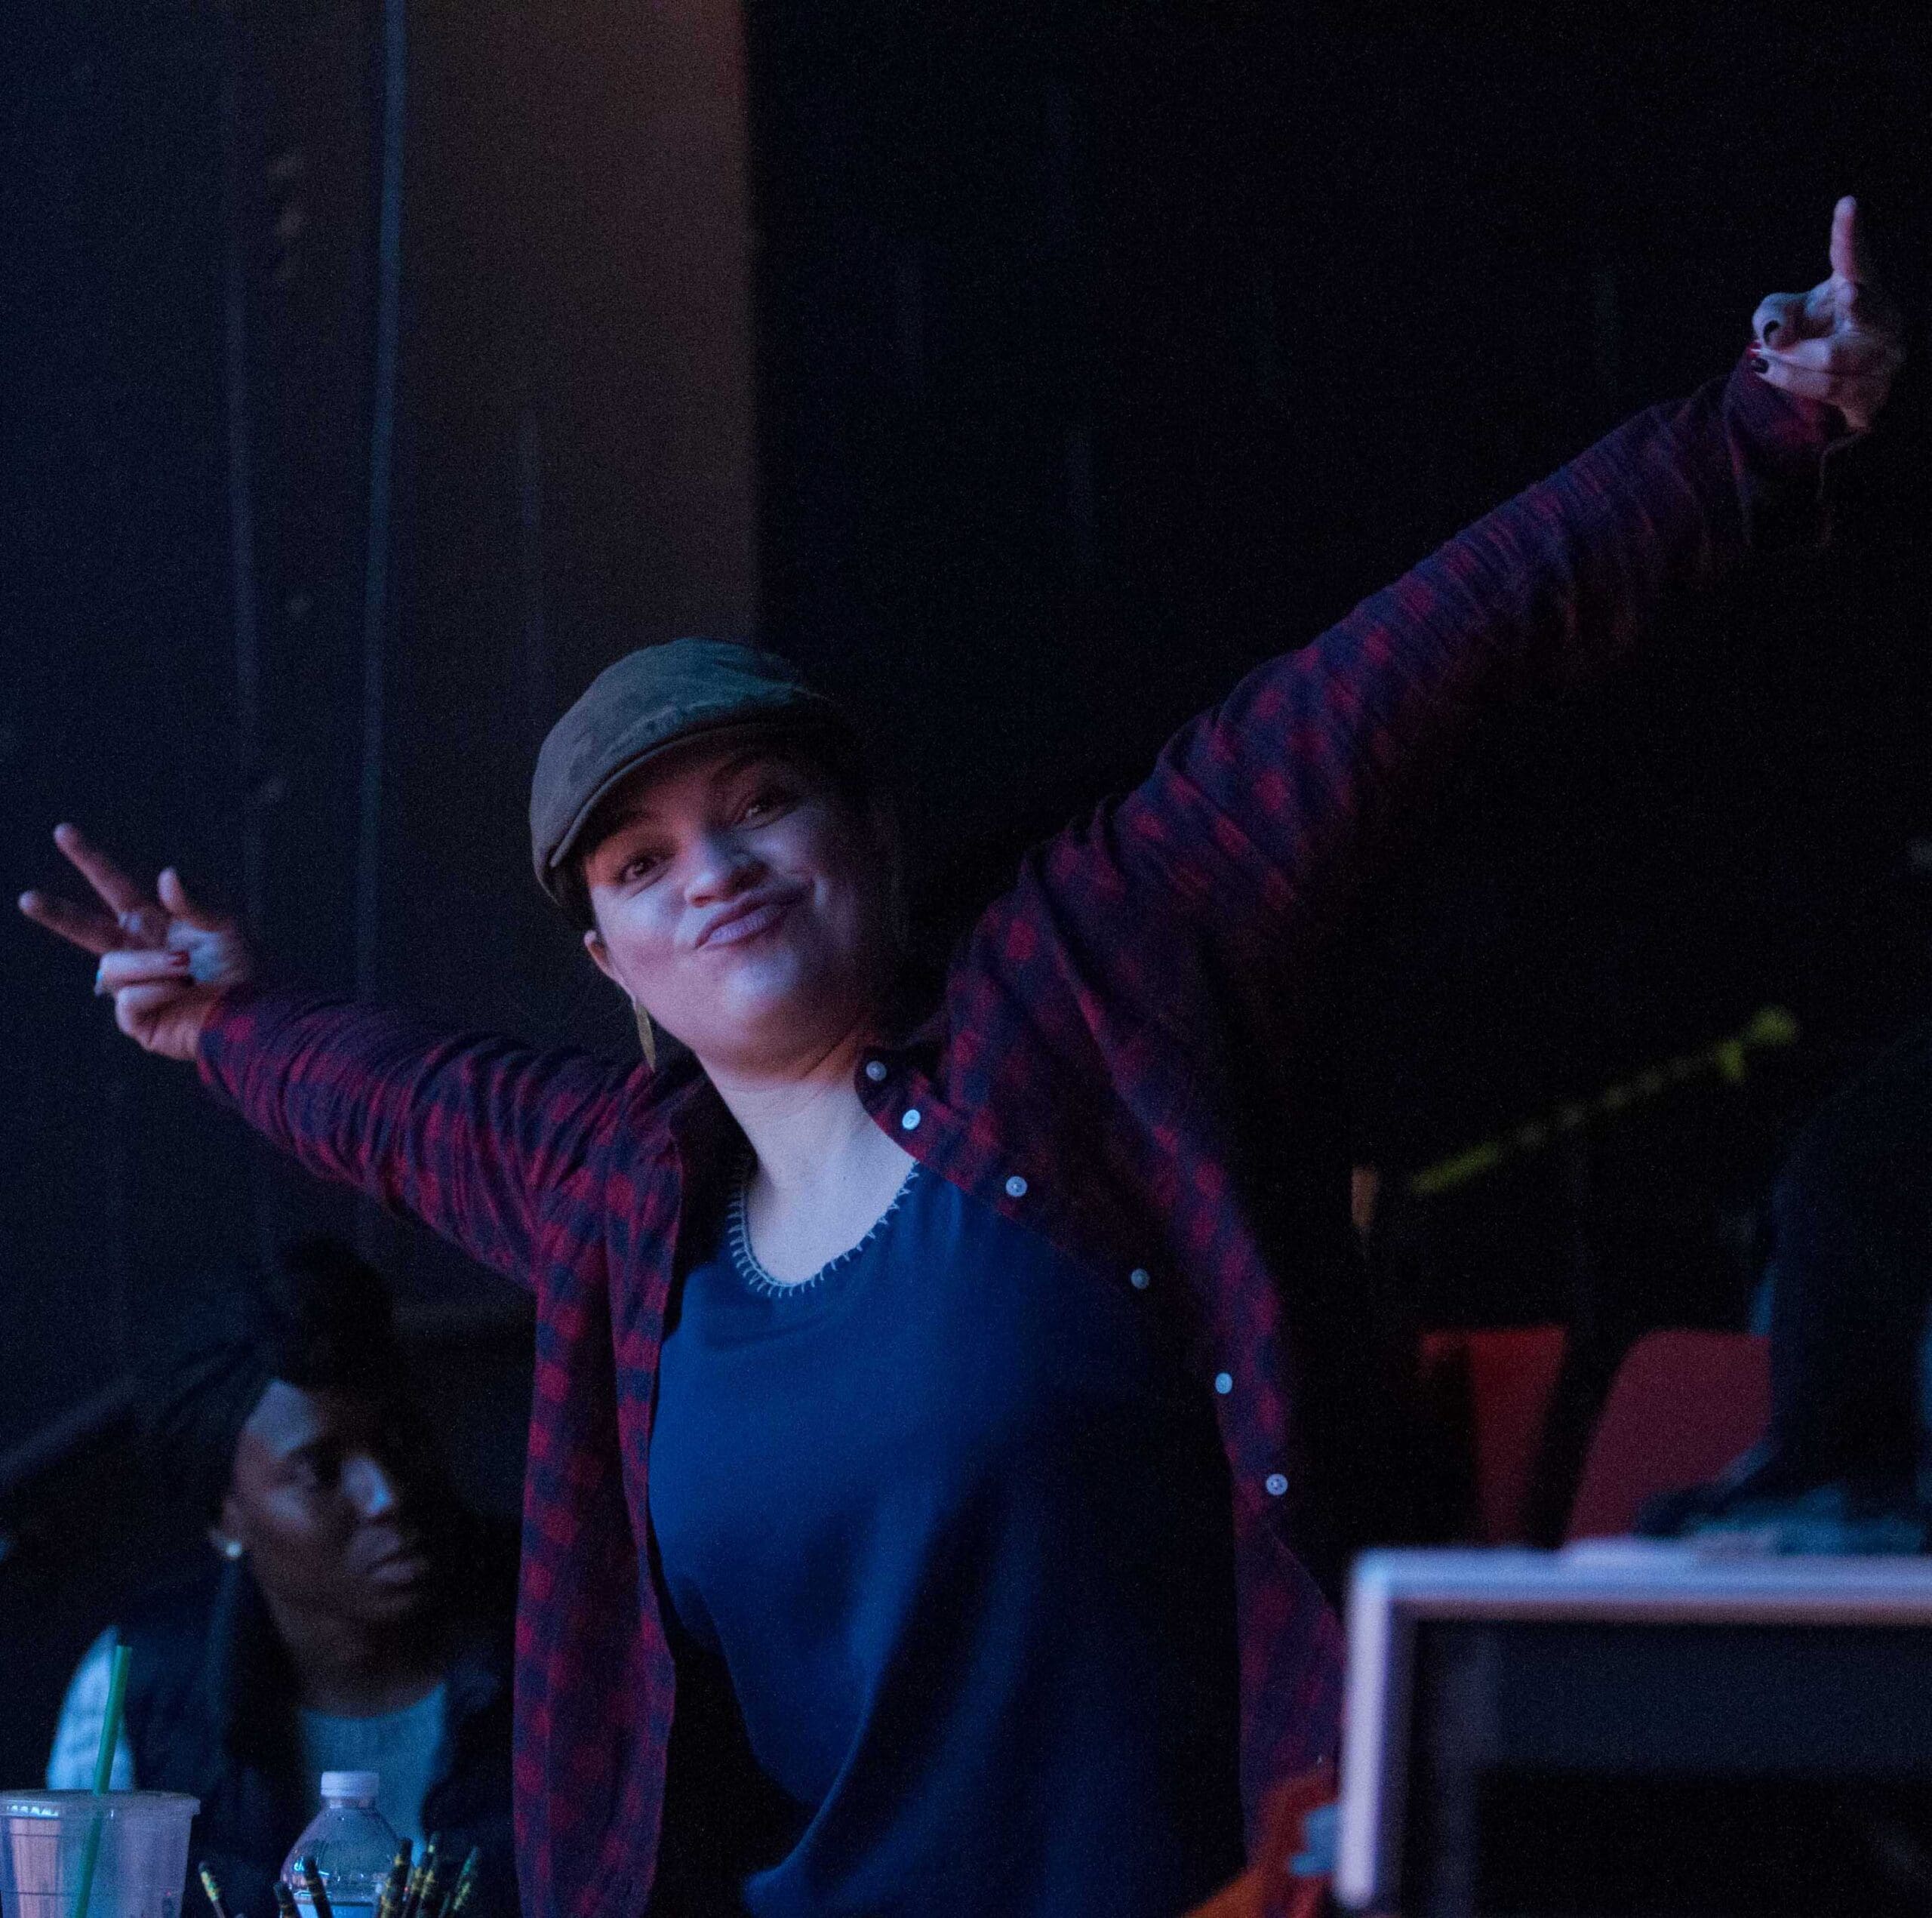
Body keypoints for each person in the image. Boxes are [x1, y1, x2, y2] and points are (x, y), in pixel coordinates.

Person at [21, 201, 1902, 1918]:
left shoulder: (1082, 976)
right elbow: (394, 1101)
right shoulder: (619, 1191)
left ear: (871, 834)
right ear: (610, 959)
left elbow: (1409, 675)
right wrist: (221, 1020)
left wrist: (1754, 428)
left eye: (762, 802)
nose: (714, 870)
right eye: (643, 862)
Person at [45, 1237, 516, 1918]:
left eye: (400, 1438)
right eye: (320, 1470)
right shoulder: (140, 1687)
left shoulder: (552, 1633)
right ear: (226, 1519)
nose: (386, 1494)